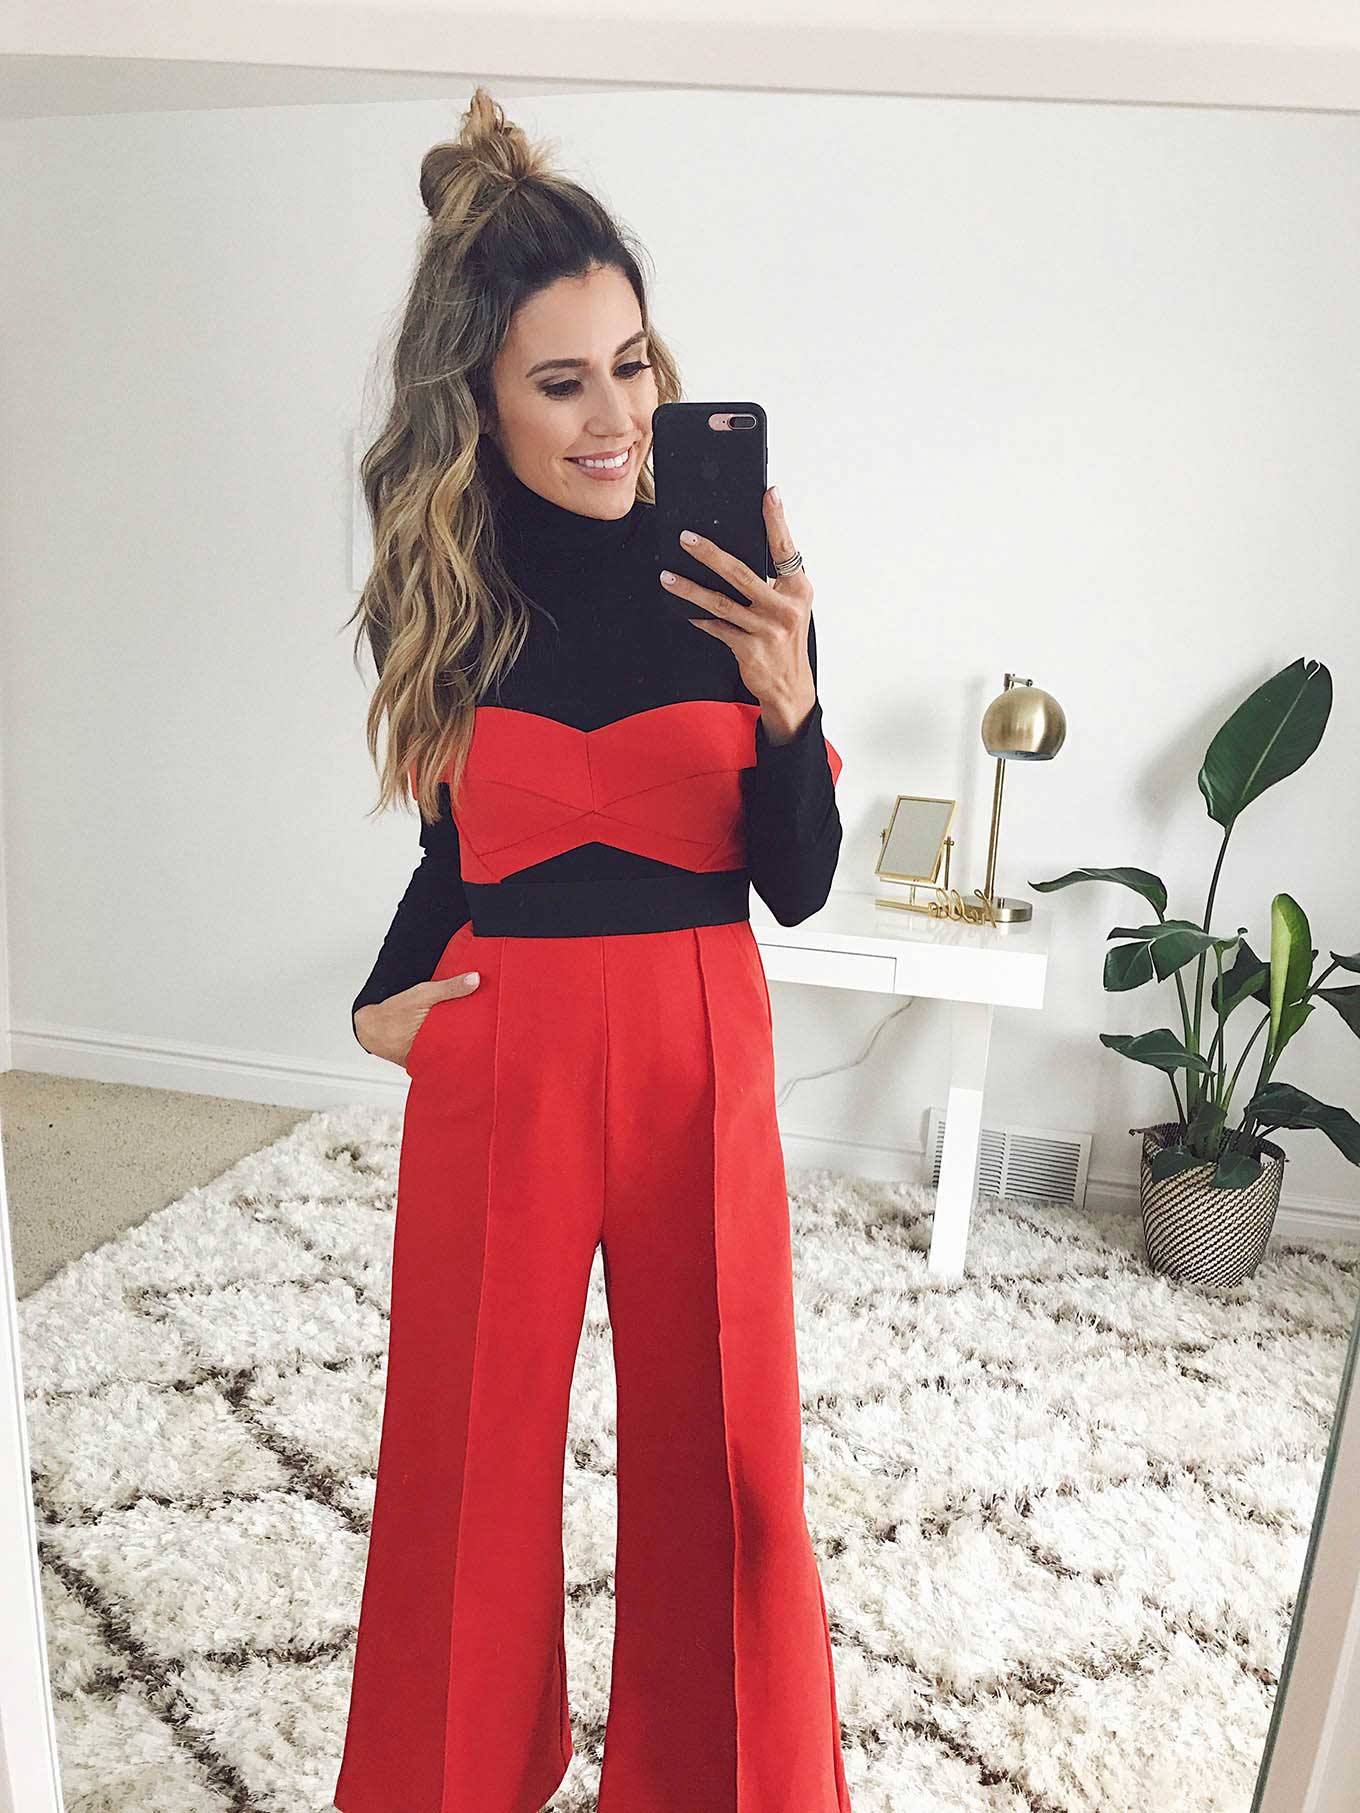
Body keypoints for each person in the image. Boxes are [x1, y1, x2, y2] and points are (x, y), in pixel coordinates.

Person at [332, 86, 852, 1813]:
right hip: (508, 1046)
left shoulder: (737, 564)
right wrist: (381, 1004)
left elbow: (798, 885)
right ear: (476, 399)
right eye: (562, 382)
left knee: (733, 1461)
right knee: (465, 1464)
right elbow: (457, 849)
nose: (617, 414)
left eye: (631, 364)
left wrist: (790, 705)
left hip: (703, 1033)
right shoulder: (452, 586)